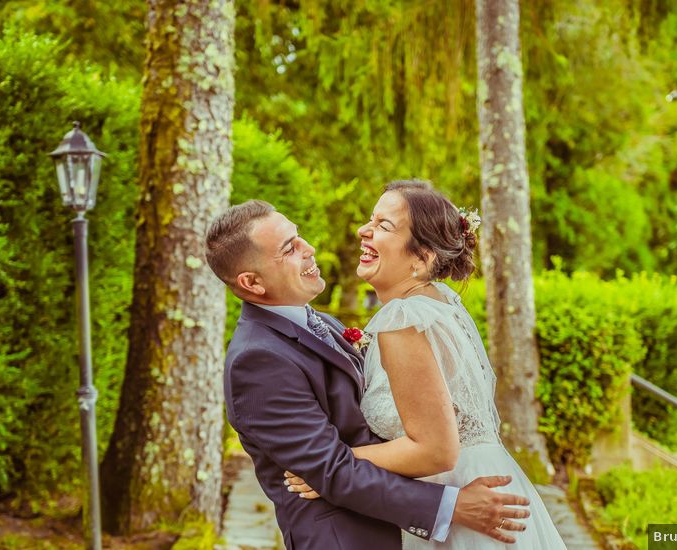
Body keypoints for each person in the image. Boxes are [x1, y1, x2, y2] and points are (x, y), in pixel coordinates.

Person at [204, 200, 532, 550]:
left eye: (298, 237)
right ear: (252, 282)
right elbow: (331, 470)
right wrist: (451, 506)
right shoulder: (257, 361)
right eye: (290, 248)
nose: (309, 249)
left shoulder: (323, 323)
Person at [285, 180, 567, 549]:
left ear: (422, 259)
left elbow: (434, 450)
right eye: (371, 219)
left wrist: (331, 467)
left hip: (462, 500)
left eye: (384, 226)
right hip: (482, 478)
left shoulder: (404, 318)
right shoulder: (440, 301)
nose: (363, 231)